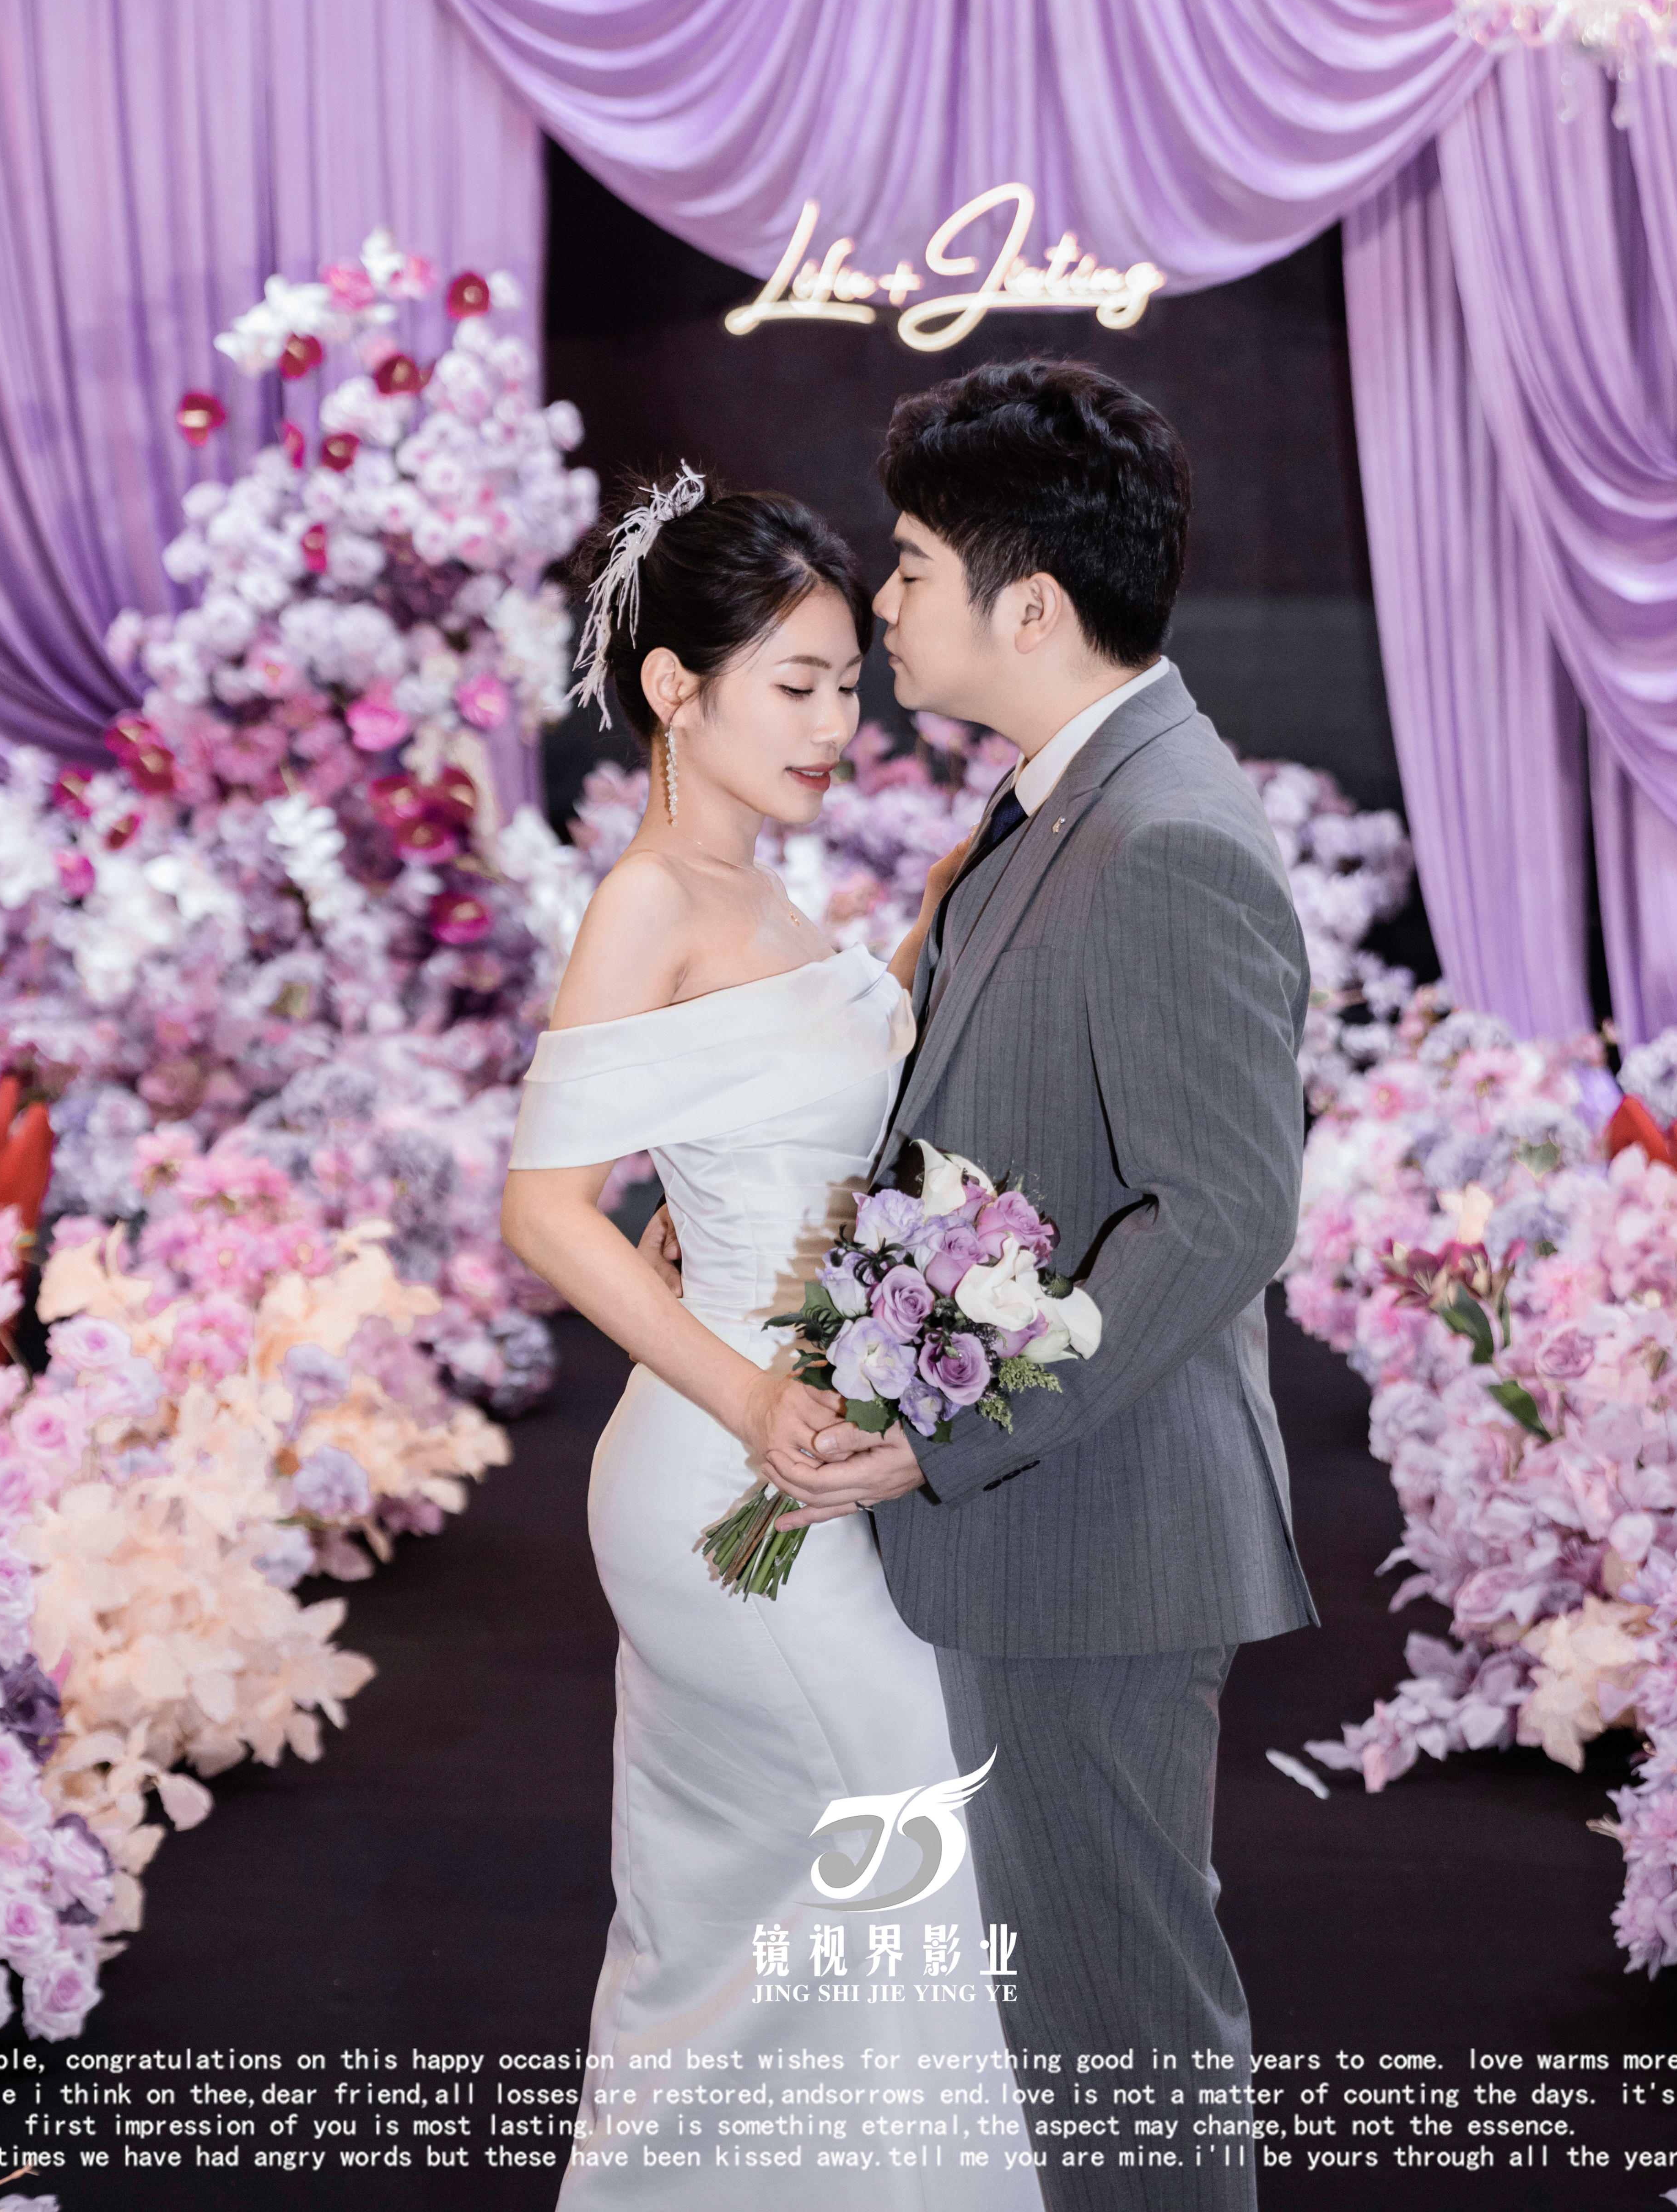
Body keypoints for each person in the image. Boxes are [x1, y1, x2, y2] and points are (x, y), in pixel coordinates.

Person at [718, 361, 1321, 2212]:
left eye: (910, 566)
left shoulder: (1163, 837)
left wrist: (948, 1440)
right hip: (1051, 1526)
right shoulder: (1061, 799)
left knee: (1118, 2024)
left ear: (1030, 605)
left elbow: (1221, 1214)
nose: (881, 602)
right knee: (1066, 2018)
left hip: (1094, 1533)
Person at [499, 467, 1042, 2212]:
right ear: (675, 687)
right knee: (899, 1848)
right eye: (795, 685)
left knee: (751, 1906)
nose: (834, 725)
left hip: (789, 1449)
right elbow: (547, 1209)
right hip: (730, 1465)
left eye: (847, 686)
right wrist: (749, 1391)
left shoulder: (754, 889)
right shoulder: (654, 897)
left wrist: (964, 885)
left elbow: (800, 1085)